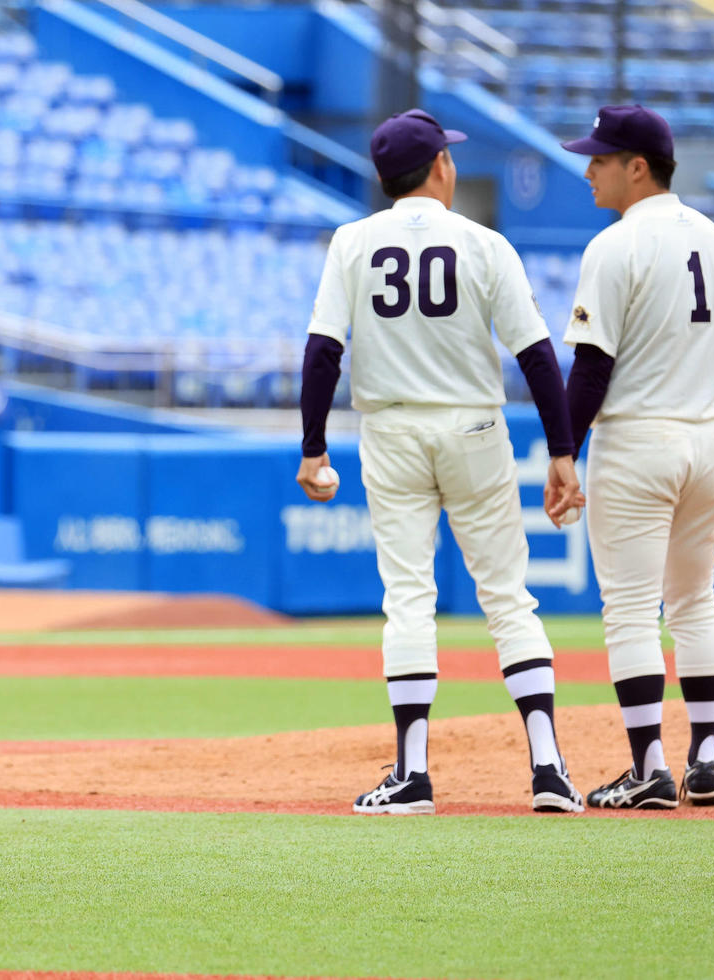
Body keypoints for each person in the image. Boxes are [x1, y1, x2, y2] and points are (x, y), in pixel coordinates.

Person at [297, 109, 586, 815]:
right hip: (474, 427)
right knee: (508, 597)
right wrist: (562, 451)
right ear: (440, 167)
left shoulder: (353, 241)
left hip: (392, 430)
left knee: (408, 599)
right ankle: (548, 769)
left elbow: (323, 351)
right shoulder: (485, 243)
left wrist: (312, 447)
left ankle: (413, 775)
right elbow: (537, 355)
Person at [555, 106, 714, 809]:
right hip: (710, 436)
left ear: (638, 166)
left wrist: (562, 452)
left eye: (601, 159)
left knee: (632, 611)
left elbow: (593, 369)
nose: (588, 170)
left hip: (639, 440)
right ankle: (705, 756)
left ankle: (648, 768)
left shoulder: (616, 245)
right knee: (697, 602)